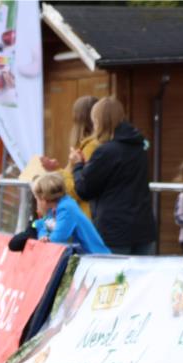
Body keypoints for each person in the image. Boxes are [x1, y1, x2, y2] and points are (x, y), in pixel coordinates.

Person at [72, 97, 156, 255]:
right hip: (143, 228)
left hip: (114, 231)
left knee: (114, 279)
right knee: (140, 279)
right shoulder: (139, 147)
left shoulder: (105, 151)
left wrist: (77, 166)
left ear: (98, 121)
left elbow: (83, 189)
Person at [9, 172, 110, 254]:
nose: (37, 203)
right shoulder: (53, 210)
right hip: (86, 258)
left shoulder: (67, 208)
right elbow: (45, 229)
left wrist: (47, 238)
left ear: (43, 199)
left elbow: (57, 238)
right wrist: (44, 237)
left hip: (96, 258)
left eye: (37, 199)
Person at [40, 95, 98, 219]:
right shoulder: (86, 145)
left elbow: (77, 190)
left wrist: (58, 171)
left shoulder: (91, 147)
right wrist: (56, 169)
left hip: (86, 218)